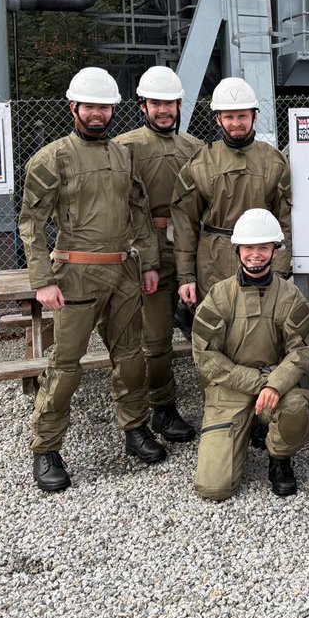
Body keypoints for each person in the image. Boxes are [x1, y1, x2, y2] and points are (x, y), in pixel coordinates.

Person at [18, 67, 167, 493]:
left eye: (104, 106)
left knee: (131, 357)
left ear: (113, 109)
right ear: (74, 108)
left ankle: (135, 428)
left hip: (123, 272)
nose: (98, 113)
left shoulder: (122, 154)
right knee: (65, 366)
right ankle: (46, 448)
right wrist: (42, 280)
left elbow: (139, 212)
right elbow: (31, 223)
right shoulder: (52, 158)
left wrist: (150, 264)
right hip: (75, 275)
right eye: (90, 107)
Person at [190, 209, 309, 500]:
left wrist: (276, 384)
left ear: (275, 251)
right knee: (214, 488)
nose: (255, 255)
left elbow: (304, 349)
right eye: (249, 248)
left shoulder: (289, 296)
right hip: (230, 390)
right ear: (237, 250)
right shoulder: (219, 295)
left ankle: (279, 459)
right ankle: (246, 432)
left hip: (276, 386)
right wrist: (261, 383)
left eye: (263, 247)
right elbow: (205, 355)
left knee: (296, 409)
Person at [107, 66, 204, 443]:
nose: (164, 110)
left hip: (189, 249)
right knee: (157, 339)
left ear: (180, 104)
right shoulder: (125, 147)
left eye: (170, 103)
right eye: (156, 103)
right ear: (143, 104)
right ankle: (162, 408)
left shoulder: (194, 148)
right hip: (145, 251)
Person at [172, 76, 292, 303]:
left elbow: (285, 221)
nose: (236, 123)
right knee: (215, 324)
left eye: (242, 116)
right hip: (212, 261)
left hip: (260, 259)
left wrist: (278, 271)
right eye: (228, 116)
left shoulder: (274, 162)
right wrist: (186, 275)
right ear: (218, 119)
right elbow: (184, 223)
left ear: (254, 116)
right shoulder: (200, 163)